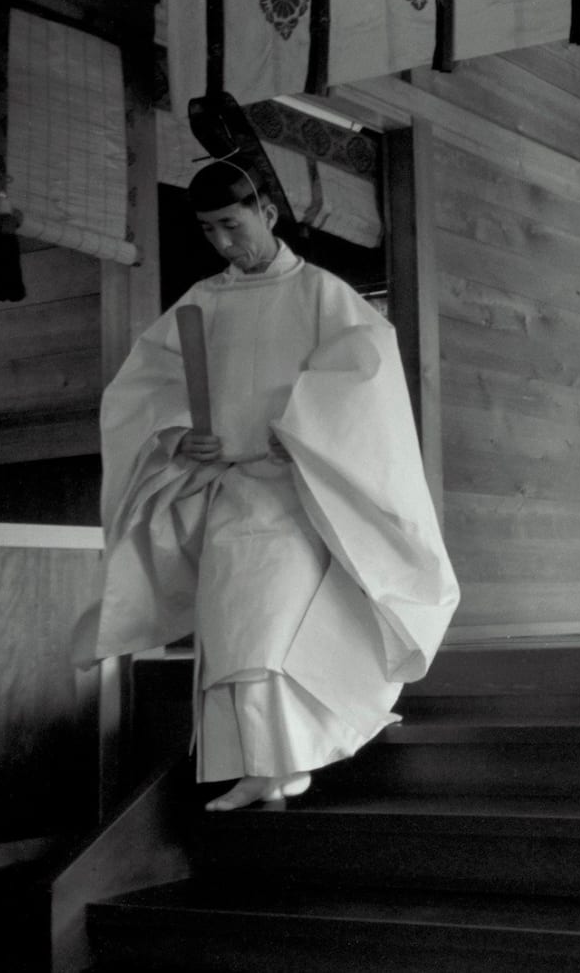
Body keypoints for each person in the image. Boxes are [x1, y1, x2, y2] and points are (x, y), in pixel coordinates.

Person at [87, 159, 459, 811]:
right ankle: (264, 766)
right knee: (231, 631)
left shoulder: (322, 295)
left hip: (299, 493)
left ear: (267, 211)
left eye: (232, 225)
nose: (224, 243)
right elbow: (143, 388)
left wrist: (302, 428)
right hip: (229, 489)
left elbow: (364, 374)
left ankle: (285, 762)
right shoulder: (203, 302)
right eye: (209, 231)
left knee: (271, 629)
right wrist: (179, 434)